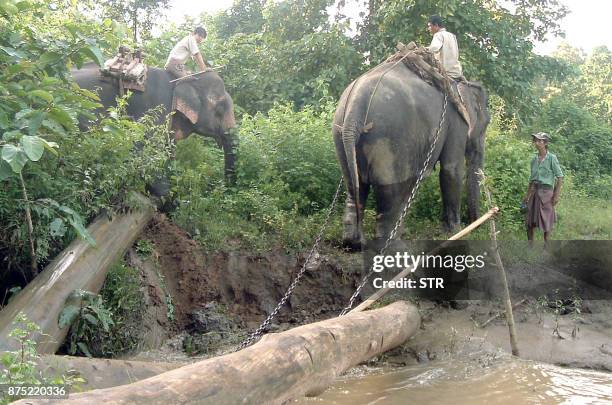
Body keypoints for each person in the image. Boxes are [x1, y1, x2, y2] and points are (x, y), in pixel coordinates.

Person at [523, 132, 564, 245]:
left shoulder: (552, 158)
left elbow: (560, 177)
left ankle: (546, 246)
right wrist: (527, 196)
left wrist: (556, 195)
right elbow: (531, 180)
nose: (536, 142)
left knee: (547, 219)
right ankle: (530, 245)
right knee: (529, 219)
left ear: (545, 143)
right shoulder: (534, 159)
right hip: (534, 191)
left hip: (547, 193)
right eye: (535, 140)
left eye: (539, 140)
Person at [426, 15, 463, 80]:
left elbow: (433, 48)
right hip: (456, 72)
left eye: (430, 26)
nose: (428, 28)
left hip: (446, 73)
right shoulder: (452, 35)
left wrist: (424, 49)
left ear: (436, 25)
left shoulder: (438, 35)